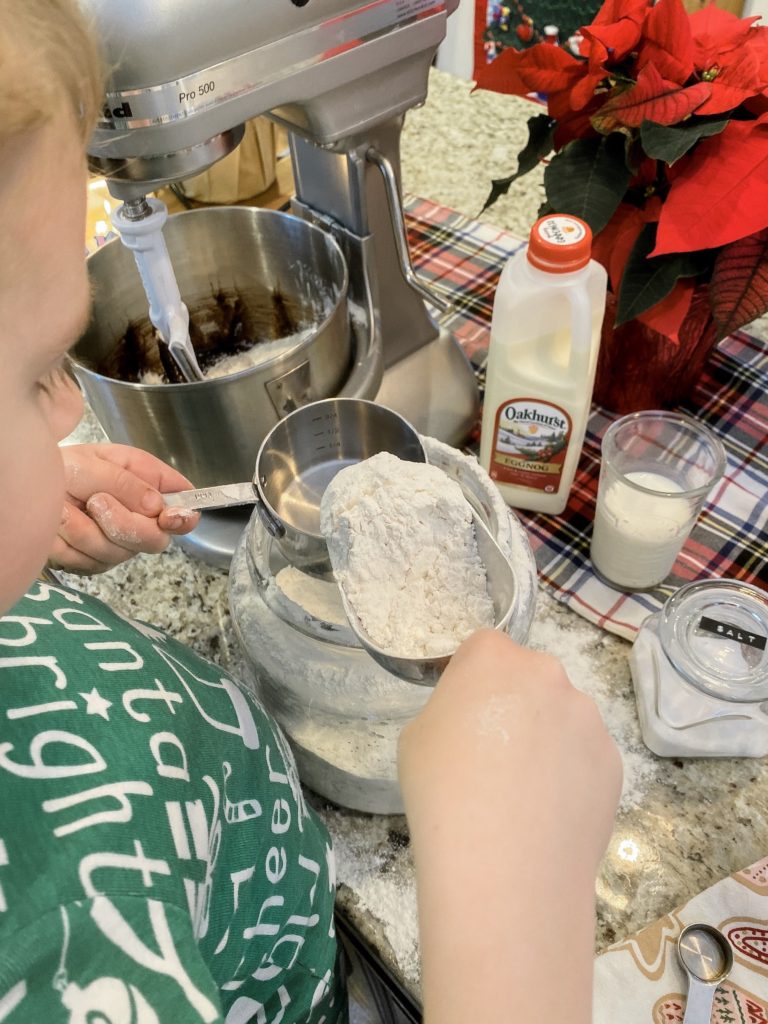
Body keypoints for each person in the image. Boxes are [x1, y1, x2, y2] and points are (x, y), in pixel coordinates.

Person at [0, 1, 622, 1021]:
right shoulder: (56, 958)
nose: (74, 407)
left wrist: (26, 537)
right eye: (34, 380)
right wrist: (513, 917)